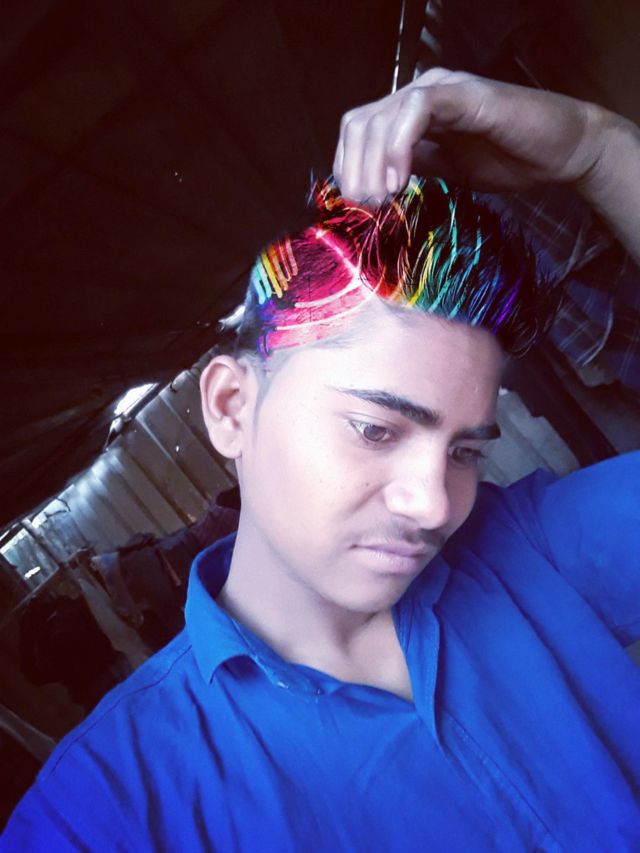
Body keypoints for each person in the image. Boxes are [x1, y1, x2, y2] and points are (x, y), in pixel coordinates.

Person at [2, 70, 639, 851]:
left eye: (466, 450)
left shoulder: (531, 548)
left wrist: (597, 150)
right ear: (231, 407)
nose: (436, 504)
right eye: (375, 429)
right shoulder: (110, 810)